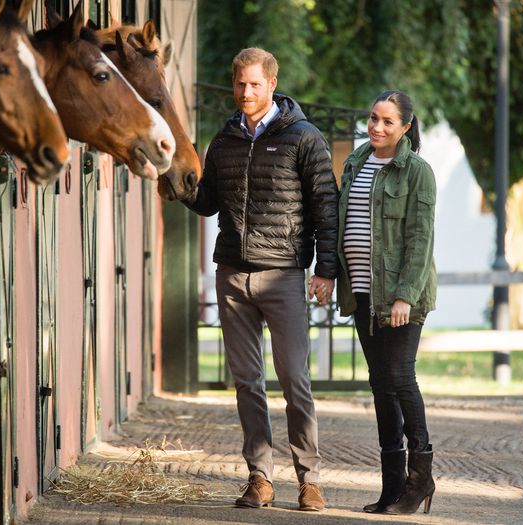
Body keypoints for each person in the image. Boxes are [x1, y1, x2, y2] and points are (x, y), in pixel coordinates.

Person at [183, 47, 338, 511]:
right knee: (247, 381)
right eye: (239, 84)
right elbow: (208, 201)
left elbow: (325, 207)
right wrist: (178, 186)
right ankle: (259, 477)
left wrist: (326, 270)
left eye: (254, 84)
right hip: (232, 274)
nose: (246, 92)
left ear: (272, 84)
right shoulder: (224, 140)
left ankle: (309, 480)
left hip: (283, 274)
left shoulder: (304, 138)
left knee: (294, 379)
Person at [336, 90, 437, 514]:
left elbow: (420, 240)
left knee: (399, 377)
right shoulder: (357, 160)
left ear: (406, 127)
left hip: (401, 298)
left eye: (387, 122)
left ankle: (421, 480)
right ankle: (392, 486)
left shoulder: (417, 172)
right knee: (380, 385)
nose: (377, 127)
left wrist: (404, 296)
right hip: (362, 292)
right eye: (373, 118)